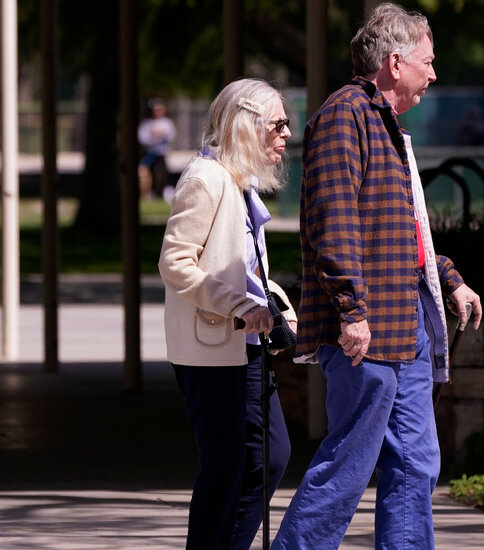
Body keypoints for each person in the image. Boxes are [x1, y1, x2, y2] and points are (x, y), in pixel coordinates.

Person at [273, 4, 483, 549]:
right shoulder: (345, 115)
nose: (433, 74)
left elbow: (402, 234)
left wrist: (450, 277)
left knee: (416, 465)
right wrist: (352, 311)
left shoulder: (389, 127)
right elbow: (335, 222)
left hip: (406, 325)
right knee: (348, 465)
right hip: (368, 330)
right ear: (394, 62)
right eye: (427, 62)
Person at [158, 78, 297, 550]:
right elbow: (176, 263)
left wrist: (281, 310)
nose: (287, 134)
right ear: (245, 125)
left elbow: (247, 270)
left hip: (248, 345)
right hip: (211, 351)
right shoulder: (206, 179)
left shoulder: (238, 182)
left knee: (270, 458)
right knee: (225, 467)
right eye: (277, 124)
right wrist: (241, 306)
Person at [138, 98, 177, 199]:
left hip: (161, 153)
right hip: (149, 153)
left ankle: (159, 193)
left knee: (161, 175)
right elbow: (142, 138)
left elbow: (171, 136)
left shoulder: (167, 123)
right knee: (146, 175)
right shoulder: (146, 123)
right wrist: (155, 135)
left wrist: (157, 134)